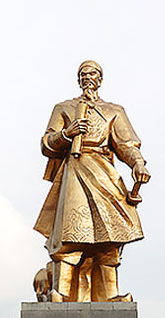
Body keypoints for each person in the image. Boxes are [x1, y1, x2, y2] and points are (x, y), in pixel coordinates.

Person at [34, 60, 151, 302]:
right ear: (78, 79)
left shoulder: (114, 110)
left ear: (100, 79)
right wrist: (67, 134)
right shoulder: (64, 108)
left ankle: (110, 295)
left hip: (105, 174)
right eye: (84, 74)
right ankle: (62, 293)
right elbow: (46, 144)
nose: (89, 77)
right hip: (75, 171)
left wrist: (138, 162)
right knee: (71, 235)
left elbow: (126, 144)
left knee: (110, 237)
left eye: (93, 73)